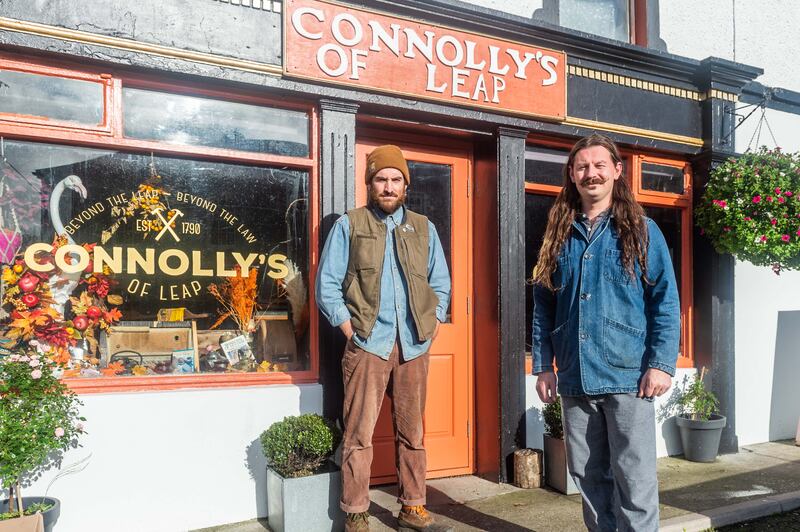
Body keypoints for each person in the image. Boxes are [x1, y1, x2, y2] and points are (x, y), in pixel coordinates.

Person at [532, 133, 681, 531]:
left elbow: (665, 302)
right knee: (587, 477)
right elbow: (544, 306)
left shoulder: (644, 231)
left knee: (635, 480)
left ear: (617, 171)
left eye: (599, 165)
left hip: (628, 377)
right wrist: (544, 365)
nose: (590, 173)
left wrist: (662, 364)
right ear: (572, 175)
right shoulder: (558, 235)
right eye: (582, 166)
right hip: (576, 378)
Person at [316, 145, 452, 532]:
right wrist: (350, 329)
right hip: (368, 345)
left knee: (413, 431)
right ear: (370, 183)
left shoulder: (424, 227)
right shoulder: (350, 224)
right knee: (358, 433)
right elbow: (327, 286)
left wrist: (433, 322)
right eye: (381, 179)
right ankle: (356, 512)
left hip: (414, 345)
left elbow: (440, 282)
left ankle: (413, 506)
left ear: (405, 185)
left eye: (396, 180)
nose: (389, 187)